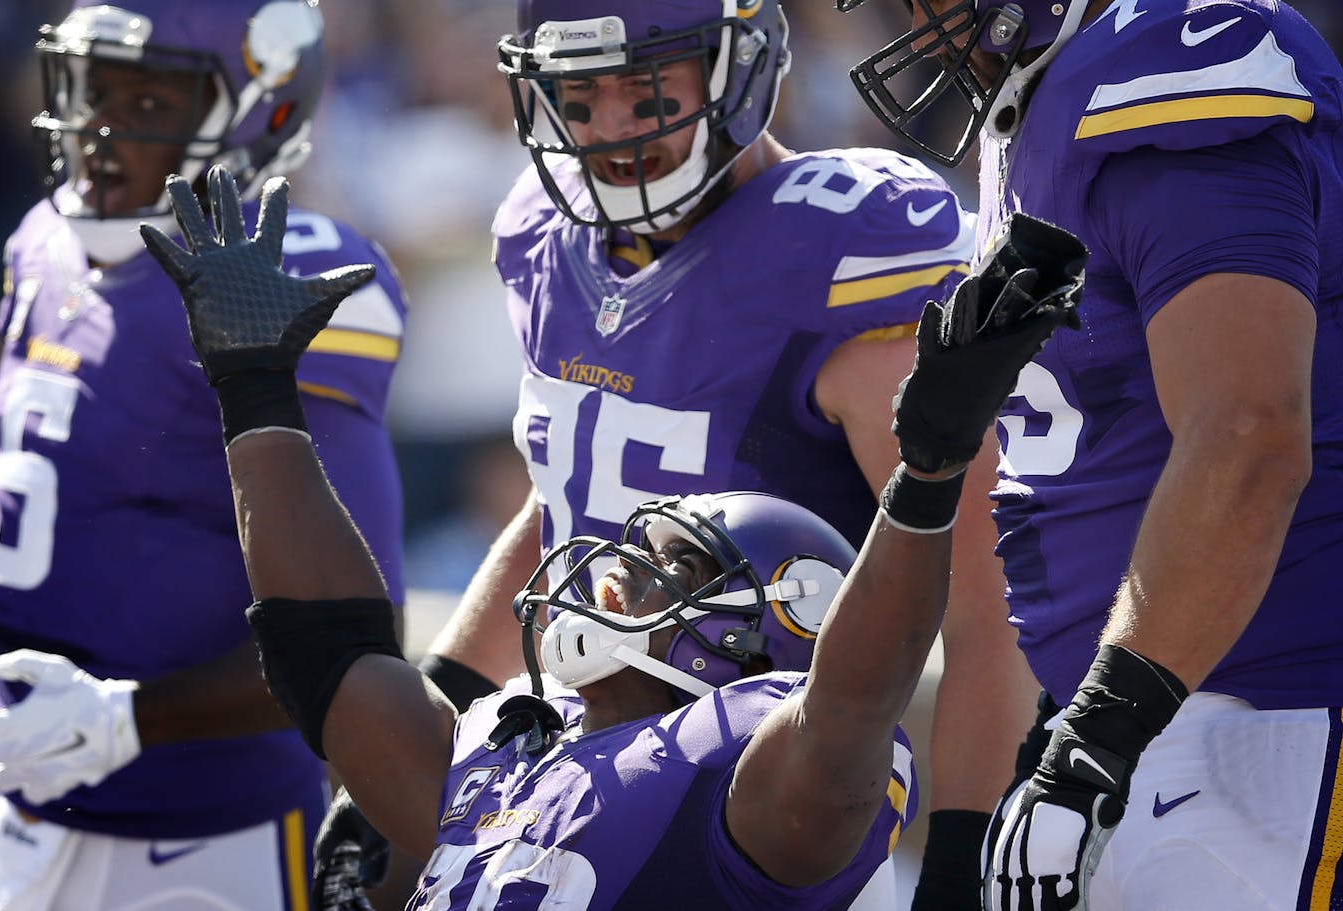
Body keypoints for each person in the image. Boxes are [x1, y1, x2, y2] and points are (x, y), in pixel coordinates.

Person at [136, 160, 1081, 910]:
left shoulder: (743, 779)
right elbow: (328, 654)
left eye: (670, 563)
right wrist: (256, 398)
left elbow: (857, 694)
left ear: (760, 631)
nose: (612, 562)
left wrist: (928, 474)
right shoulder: (502, 760)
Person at [343, 3, 1042, 908]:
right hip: (572, 763)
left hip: (756, 798)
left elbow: (989, 602)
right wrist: (436, 707)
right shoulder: (543, 235)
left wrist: (966, 846)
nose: (612, 127)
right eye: (580, 93)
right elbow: (564, 496)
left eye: (646, 86)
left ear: (738, 67)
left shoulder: (843, 253)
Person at [839, 0, 1343, 908]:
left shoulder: (1166, 56)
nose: (918, 17)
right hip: (1140, 723)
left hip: (1269, 724)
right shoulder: (1049, 97)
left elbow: (1249, 435)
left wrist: (1096, 738)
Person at [0, 2, 408, 908]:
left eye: (150, 105)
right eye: (92, 90)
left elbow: (357, 635)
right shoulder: (42, 242)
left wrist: (128, 722)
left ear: (258, 113)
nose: (100, 132)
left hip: (203, 838)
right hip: (23, 800)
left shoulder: (287, 278)